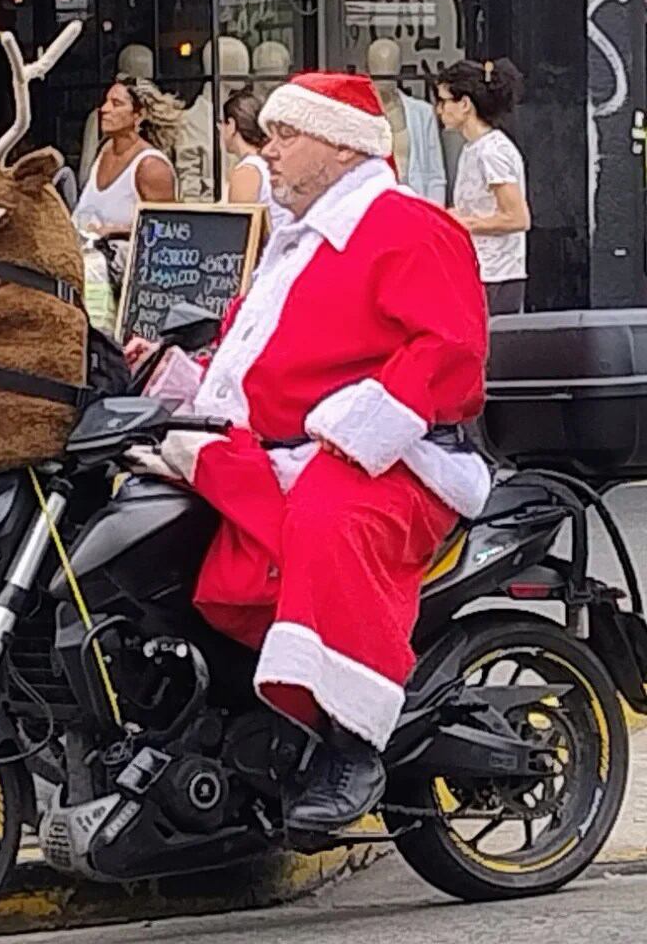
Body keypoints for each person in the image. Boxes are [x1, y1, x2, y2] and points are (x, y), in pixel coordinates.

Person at [126, 72, 491, 833]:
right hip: (281, 446)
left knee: (328, 520)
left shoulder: (409, 226)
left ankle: (350, 741)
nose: (270, 150)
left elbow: (449, 350)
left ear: (340, 145)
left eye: (287, 136)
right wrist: (173, 378)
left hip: (397, 459)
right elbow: (251, 365)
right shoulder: (293, 239)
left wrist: (360, 428)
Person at [436, 59, 530, 316]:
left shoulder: (492, 151)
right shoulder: (473, 149)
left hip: (497, 275)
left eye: (444, 101)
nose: (439, 110)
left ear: (465, 104)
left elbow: (517, 217)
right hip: (480, 270)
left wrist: (461, 223)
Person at [73, 75, 184, 238]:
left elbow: (167, 229)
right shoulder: (105, 149)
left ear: (138, 115)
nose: (104, 109)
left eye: (116, 104)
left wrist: (115, 232)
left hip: (119, 260)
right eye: (106, 101)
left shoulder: (151, 166)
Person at [221, 88, 290, 233]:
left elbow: (240, 230)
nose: (220, 130)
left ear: (232, 125)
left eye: (223, 124)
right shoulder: (271, 162)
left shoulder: (248, 171)